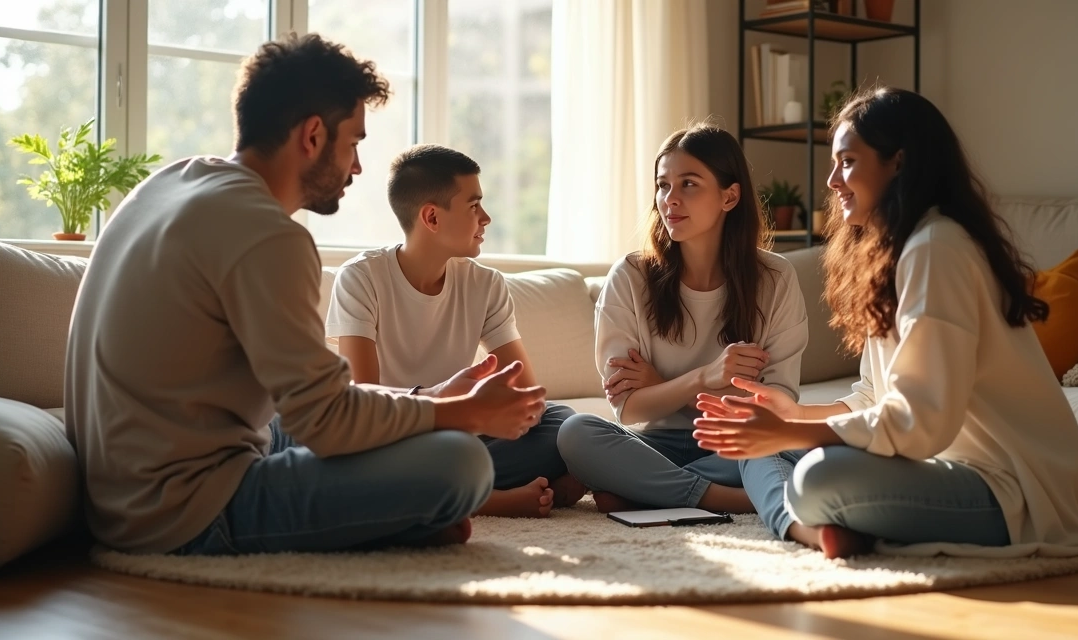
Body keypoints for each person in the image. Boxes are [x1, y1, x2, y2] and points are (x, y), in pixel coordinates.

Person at [65, 34, 547, 556]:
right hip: (184, 512)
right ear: (313, 135)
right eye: (355, 143)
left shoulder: (170, 183)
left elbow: (315, 402)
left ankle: (396, 517)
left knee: (354, 429)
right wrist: (464, 414)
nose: (358, 167)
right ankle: (400, 516)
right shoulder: (269, 234)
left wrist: (431, 399)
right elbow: (329, 422)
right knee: (462, 462)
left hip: (122, 496)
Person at [693, 87, 1078, 559]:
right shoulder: (900, 251)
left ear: (898, 163)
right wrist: (793, 416)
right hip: (952, 468)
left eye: (847, 161)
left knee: (814, 478)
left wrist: (791, 433)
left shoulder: (936, 248)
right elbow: (874, 396)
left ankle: (836, 524)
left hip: (1014, 491)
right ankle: (839, 527)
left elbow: (919, 422)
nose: (833, 180)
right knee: (775, 453)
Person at [556, 123, 809, 515]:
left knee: (792, 443)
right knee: (575, 433)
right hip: (656, 443)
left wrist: (660, 387)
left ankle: (644, 488)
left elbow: (775, 408)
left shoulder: (775, 279)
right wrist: (705, 378)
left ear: (730, 196)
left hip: (731, 445)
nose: (670, 199)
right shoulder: (630, 276)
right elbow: (628, 407)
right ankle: (725, 499)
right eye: (663, 185)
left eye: (689, 184)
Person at [326, 144, 585, 519]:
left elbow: (527, 398)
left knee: (563, 424)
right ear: (431, 217)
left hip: (462, 441)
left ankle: (462, 487)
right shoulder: (361, 278)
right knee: (366, 459)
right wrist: (450, 406)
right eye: (473, 206)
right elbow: (363, 397)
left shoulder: (486, 285)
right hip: (395, 438)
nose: (487, 218)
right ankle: (490, 497)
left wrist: (488, 410)